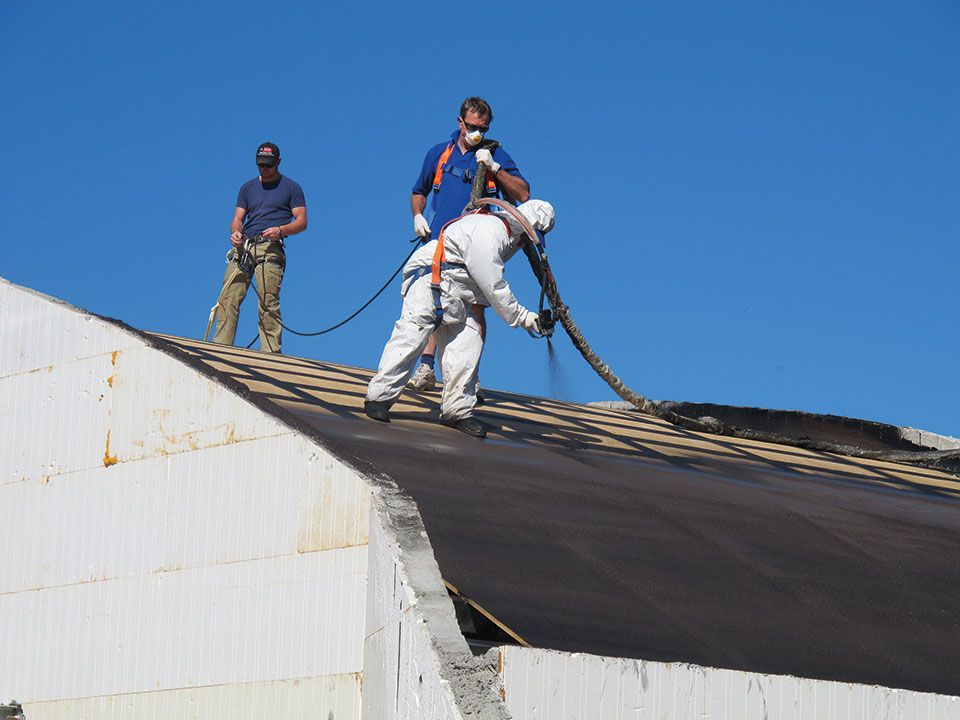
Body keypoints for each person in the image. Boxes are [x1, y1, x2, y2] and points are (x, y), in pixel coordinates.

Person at [364, 200, 555, 438]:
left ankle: (457, 411)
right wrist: (527, 319)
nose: (528, 241)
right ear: (523, 225)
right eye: (530, 234)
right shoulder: (489, 231)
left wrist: (531, 320)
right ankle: (378, 398)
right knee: (411, 338)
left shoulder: (507, 239)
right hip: (429, 282)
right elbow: (494, 287)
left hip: (458, 294)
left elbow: (479, 285)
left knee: (468, 345)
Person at [407, 96, 530, 391]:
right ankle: (426, 368)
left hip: (477, 246)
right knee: (433, 301)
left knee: (475, 309)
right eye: (472, 126)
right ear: (460, 122)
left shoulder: (494, 154)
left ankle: (468, 377)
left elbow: (523, 194)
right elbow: (418, 190)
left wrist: (495, 168)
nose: (477, 133)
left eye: (482, 129)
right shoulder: (441, 153)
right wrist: (418, 215)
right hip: (440, 240)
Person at [211, 142, 307, 353]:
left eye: (269, 165)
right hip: (244, 247)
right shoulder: (247, 188)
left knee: (267, 301)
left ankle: (271, 355)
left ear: (278, 163)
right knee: (228, 296)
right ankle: (221, 350)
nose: (265, 169)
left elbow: (302, 221)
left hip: (270, 248)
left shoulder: (291, 188)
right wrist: (235, 232)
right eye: (261, 165)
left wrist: (280, 230)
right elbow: (237, 218)